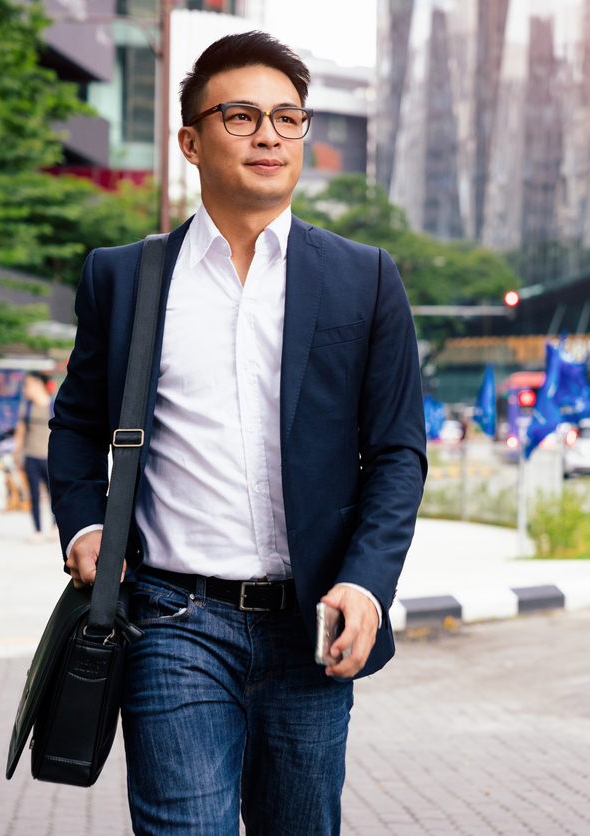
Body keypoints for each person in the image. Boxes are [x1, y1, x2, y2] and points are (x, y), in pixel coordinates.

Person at [47, 31, 426, 836]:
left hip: (310, 624)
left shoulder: (365, 276)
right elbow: (77, 426)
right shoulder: (125, 277)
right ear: (189, 140)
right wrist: (84, 523)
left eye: (288, 119)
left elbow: (396, 453)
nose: (269, 136)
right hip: (172, 620)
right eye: (243, 115)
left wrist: (366, 582)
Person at [13, 371, 57, 544]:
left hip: (49, 457)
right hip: (31, 456)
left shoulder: (53, 404)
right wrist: (18, 454)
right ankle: (37, 530)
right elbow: (20, 431)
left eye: (28, 385)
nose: (25, 389)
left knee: (55, 495)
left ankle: (55, 527)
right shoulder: (27, 406)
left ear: (39, 384)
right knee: (34, 496)